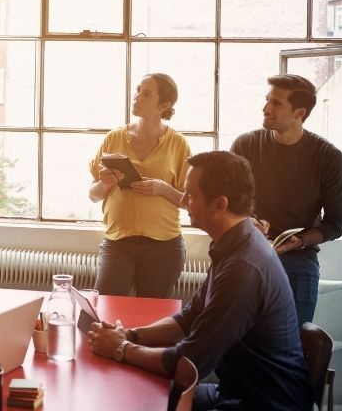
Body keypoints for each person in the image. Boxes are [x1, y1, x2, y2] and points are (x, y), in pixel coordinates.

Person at [88, 151, 312, 411]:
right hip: (235, 390)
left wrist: (121, 349)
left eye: (191, 195)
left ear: (219, 204)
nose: (183, 200)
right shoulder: (236, 242)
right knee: (140, 394)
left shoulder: (244, 268)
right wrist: (130, 335)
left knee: (139, 402)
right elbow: (189, 318)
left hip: (263, 403)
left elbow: (188, 364)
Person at [230, 74, 342, 325]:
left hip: (299, 260)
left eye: (276, 104)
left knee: (291, 345)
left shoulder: (328, 157)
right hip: (246, 253)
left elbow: (336, 223)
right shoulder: (245, 145)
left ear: (299, 113)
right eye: (266, 100)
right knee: (235, 343)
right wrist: (246, 221)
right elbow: (227, 202)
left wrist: (300, 240)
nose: (265, 109)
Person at [88, 73, 190, 298]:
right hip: (118, 242)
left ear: (165, 104)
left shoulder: (178, 144)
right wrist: (105, 184)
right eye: (137, 90)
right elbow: (93, 195)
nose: (136, 97)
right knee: (105, 309)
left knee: (150, 318)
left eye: (146, 94)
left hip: (164, 246)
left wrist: (162, 188)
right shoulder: (114, 137)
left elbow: (190, 202)